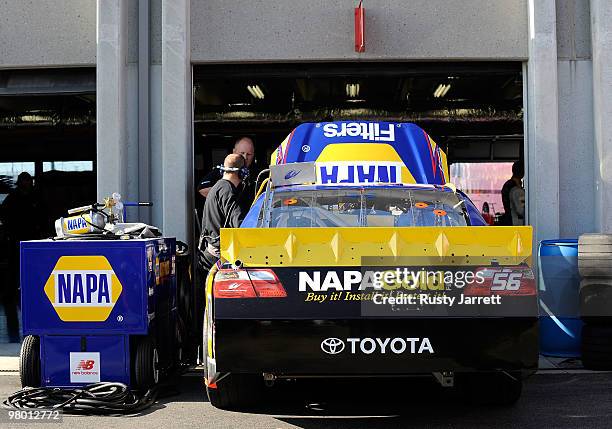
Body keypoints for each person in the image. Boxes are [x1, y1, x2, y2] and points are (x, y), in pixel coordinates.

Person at [0, 172, 43, 342]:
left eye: (29, 181)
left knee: (34, 291)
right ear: (20, 183)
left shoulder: (36, 200)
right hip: (14, 251)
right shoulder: (11, 200)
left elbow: (44, 221)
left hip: (33, 251)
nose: (27, 184)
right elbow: (4, 225)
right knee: (9, 294)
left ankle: (32, 333)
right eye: (25, 181)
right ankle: (13, 335)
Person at [199, 154, 247, 271]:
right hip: (219, 259)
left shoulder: (217, 187)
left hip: (209, 256)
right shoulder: (228, 191)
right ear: (242, 173)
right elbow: (240, 225)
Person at [197, 137, 258, 212]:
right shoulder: (222, 170)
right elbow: (202, 189)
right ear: (234, 152)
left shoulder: (258, 173)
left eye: (249, 154)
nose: (245, 157)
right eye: (242, 153)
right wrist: (227, 197)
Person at [500, 161, 524, 226]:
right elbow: (521, 210)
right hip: (515, 222)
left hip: (508, 219)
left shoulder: (507, 185)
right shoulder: (515, 189)